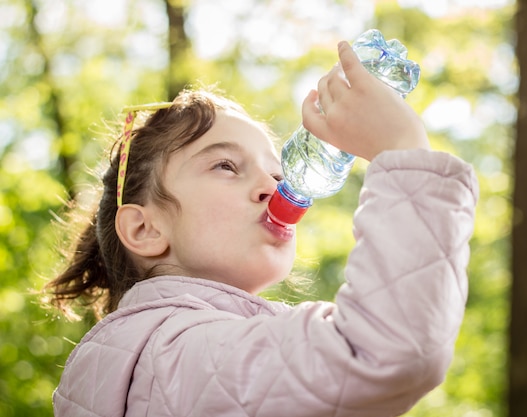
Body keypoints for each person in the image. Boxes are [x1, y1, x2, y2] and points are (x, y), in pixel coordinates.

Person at [45, 40, 478, 417]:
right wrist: (401, 151)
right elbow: (382, 350)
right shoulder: (170, 354)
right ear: (144, 229)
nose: (273, 187)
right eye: (226, 165)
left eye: (277, 172)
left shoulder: (175, 353)